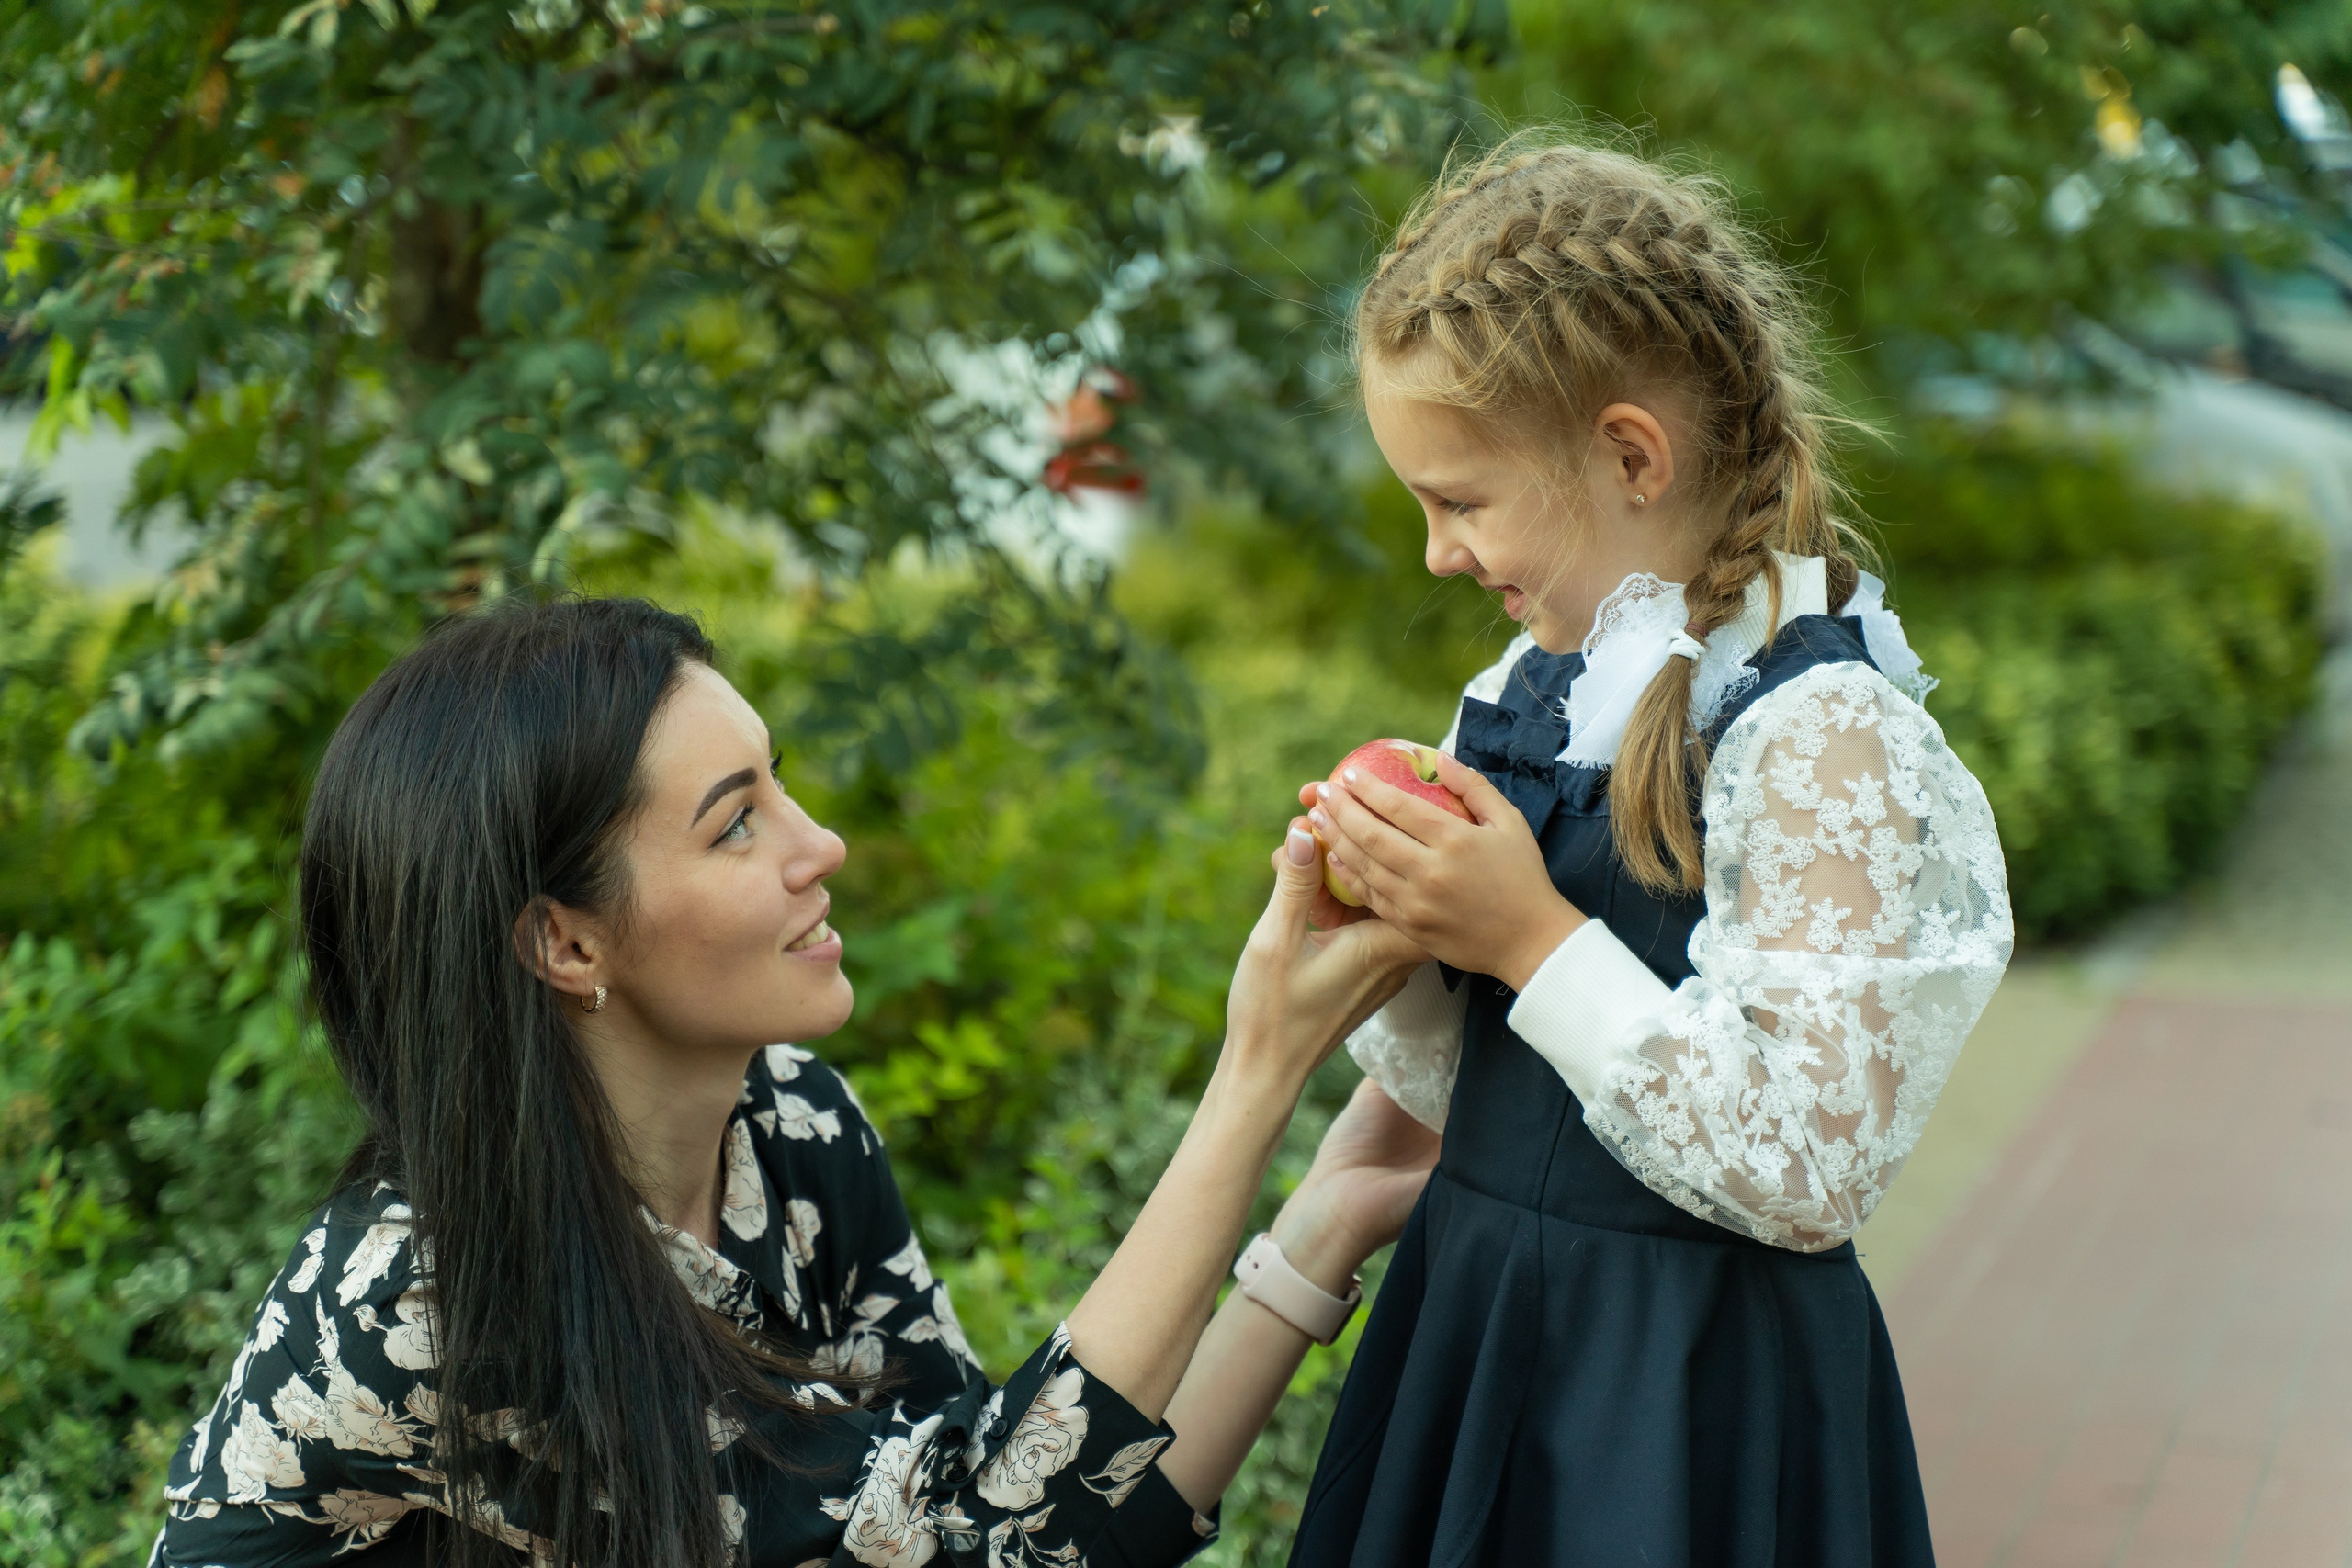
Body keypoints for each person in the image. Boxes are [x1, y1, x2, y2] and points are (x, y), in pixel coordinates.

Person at [150, 596, 1439, 1567]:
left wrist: (1318, 1222)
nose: (819, 844)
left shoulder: (793, 1126)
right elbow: (981, 1540)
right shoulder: (437, 1305)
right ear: (566, 940)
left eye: (780, 785)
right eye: (736, 821)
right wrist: (1260, 1067)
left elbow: (1029, 1517)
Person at [1288, 137, 2014, 1565]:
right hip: (1479, 1323)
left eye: (1459, 499)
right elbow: (1471, 1081)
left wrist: (1525, 937)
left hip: (1691, 1390)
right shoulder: (1522, 692)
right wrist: (1410, 930)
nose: (1436, 551)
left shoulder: (1818, 731)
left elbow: (1809, 1163)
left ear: (1629, 454)